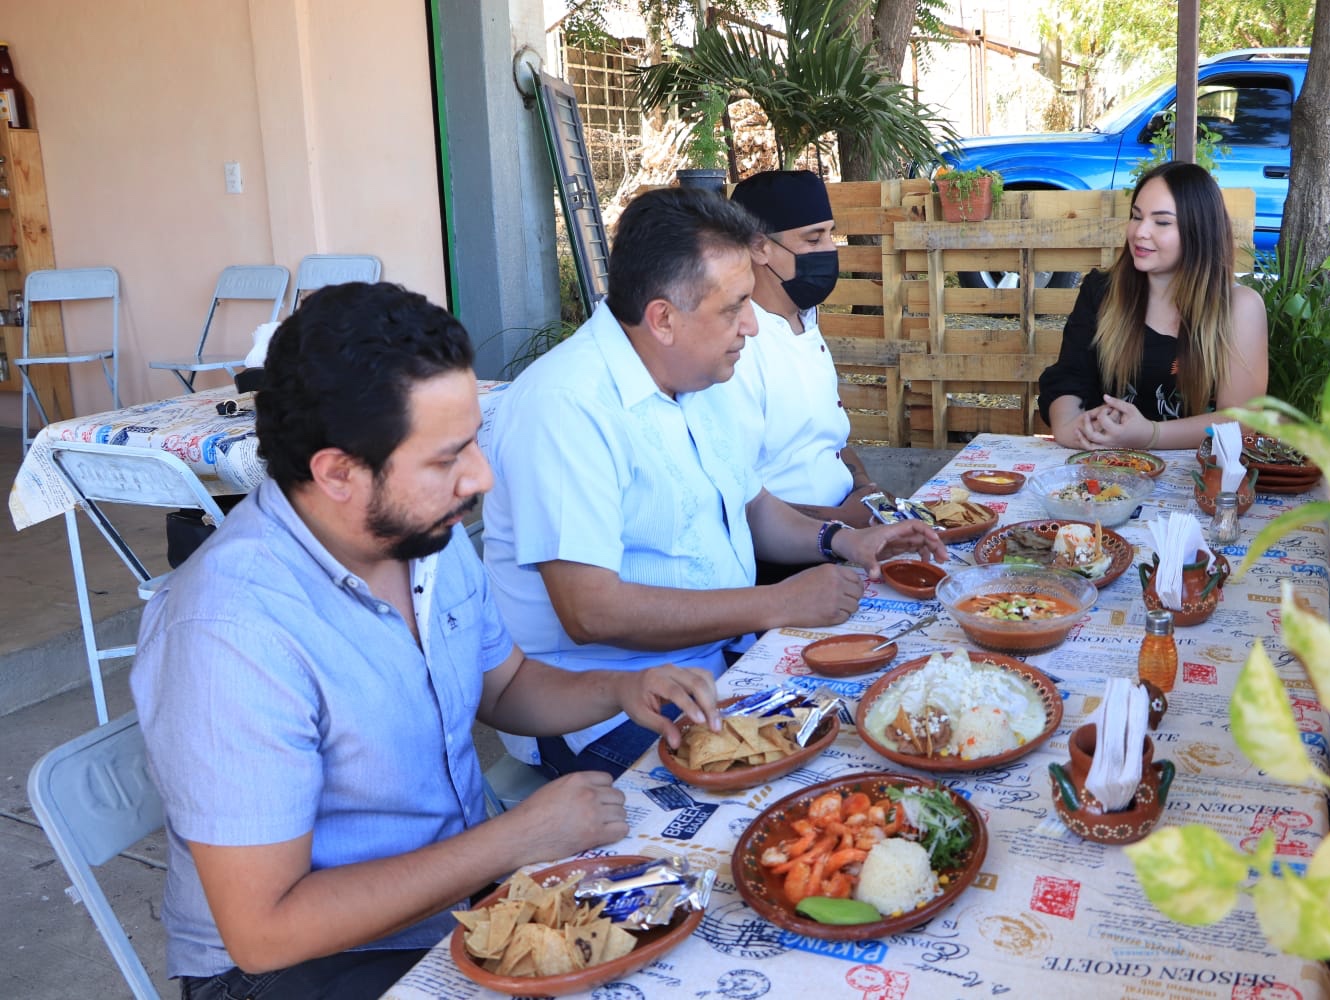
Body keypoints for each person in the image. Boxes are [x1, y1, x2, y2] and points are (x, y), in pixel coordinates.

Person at [131, 282, 722, 1000]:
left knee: (697, 916)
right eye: (448, 457)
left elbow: (504, 686)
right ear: (338, 473)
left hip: (456, 902)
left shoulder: (421, 536)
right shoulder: (232, 633)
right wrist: (514, 842)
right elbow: (265, 933)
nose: (482, 475)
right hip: (293, 971)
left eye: (474, 438)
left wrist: (622, 689)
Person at [482, 187, 945, 779]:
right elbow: (591, 613)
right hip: (610, 710)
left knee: (906, 714)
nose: (751, 326)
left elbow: (752, 510)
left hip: (718, 663)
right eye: (733, 308)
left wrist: (845, 541)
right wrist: (774, 603)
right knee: (833, 789)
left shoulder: (698, 377)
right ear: (663, 318)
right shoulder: (567, 406)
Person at [1037, 161, 1268, 450]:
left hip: (1193, 480)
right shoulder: (1102, 290)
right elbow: (1068, 378)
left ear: (1198, 230)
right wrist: (1069, 426)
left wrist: (1151, 435)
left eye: (1161, 222)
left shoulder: (1239, 307)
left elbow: (1243, 421)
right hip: (1105, 473)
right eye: (1136, 217)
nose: (1140, 232)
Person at [724, 170, 880, 529]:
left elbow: (831, 442)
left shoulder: (806, 320)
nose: (829, 251)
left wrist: (866, 491)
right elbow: (737, 496)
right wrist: (841, 522)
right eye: (813, 240)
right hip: (788, 557)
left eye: (831, 235)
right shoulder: (736, 347)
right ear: (759, 247)